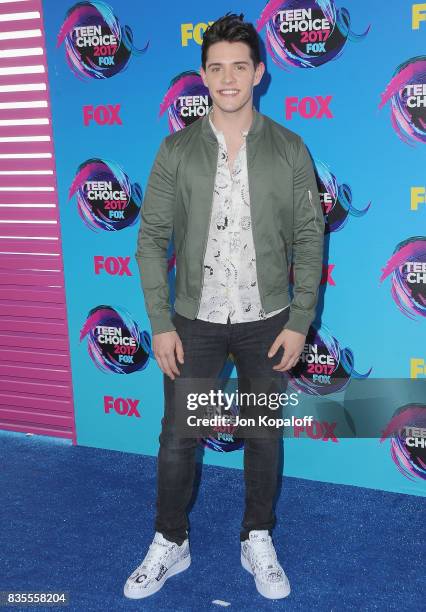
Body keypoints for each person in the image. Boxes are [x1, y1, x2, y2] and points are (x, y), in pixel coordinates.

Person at [125, 12, 324, 601]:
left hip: (268, 319)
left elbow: (311, 238)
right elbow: (149, 239)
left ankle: (257, 536)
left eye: (241, 66)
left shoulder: (289, 148)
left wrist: (299, 319)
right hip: (196, 318)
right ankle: (170, 541)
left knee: (263, 434)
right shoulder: (176, 150)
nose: (229, 78)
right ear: (204, 76)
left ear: (259, 73)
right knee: (178, 438)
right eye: (217, 68)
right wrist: (160, 323)